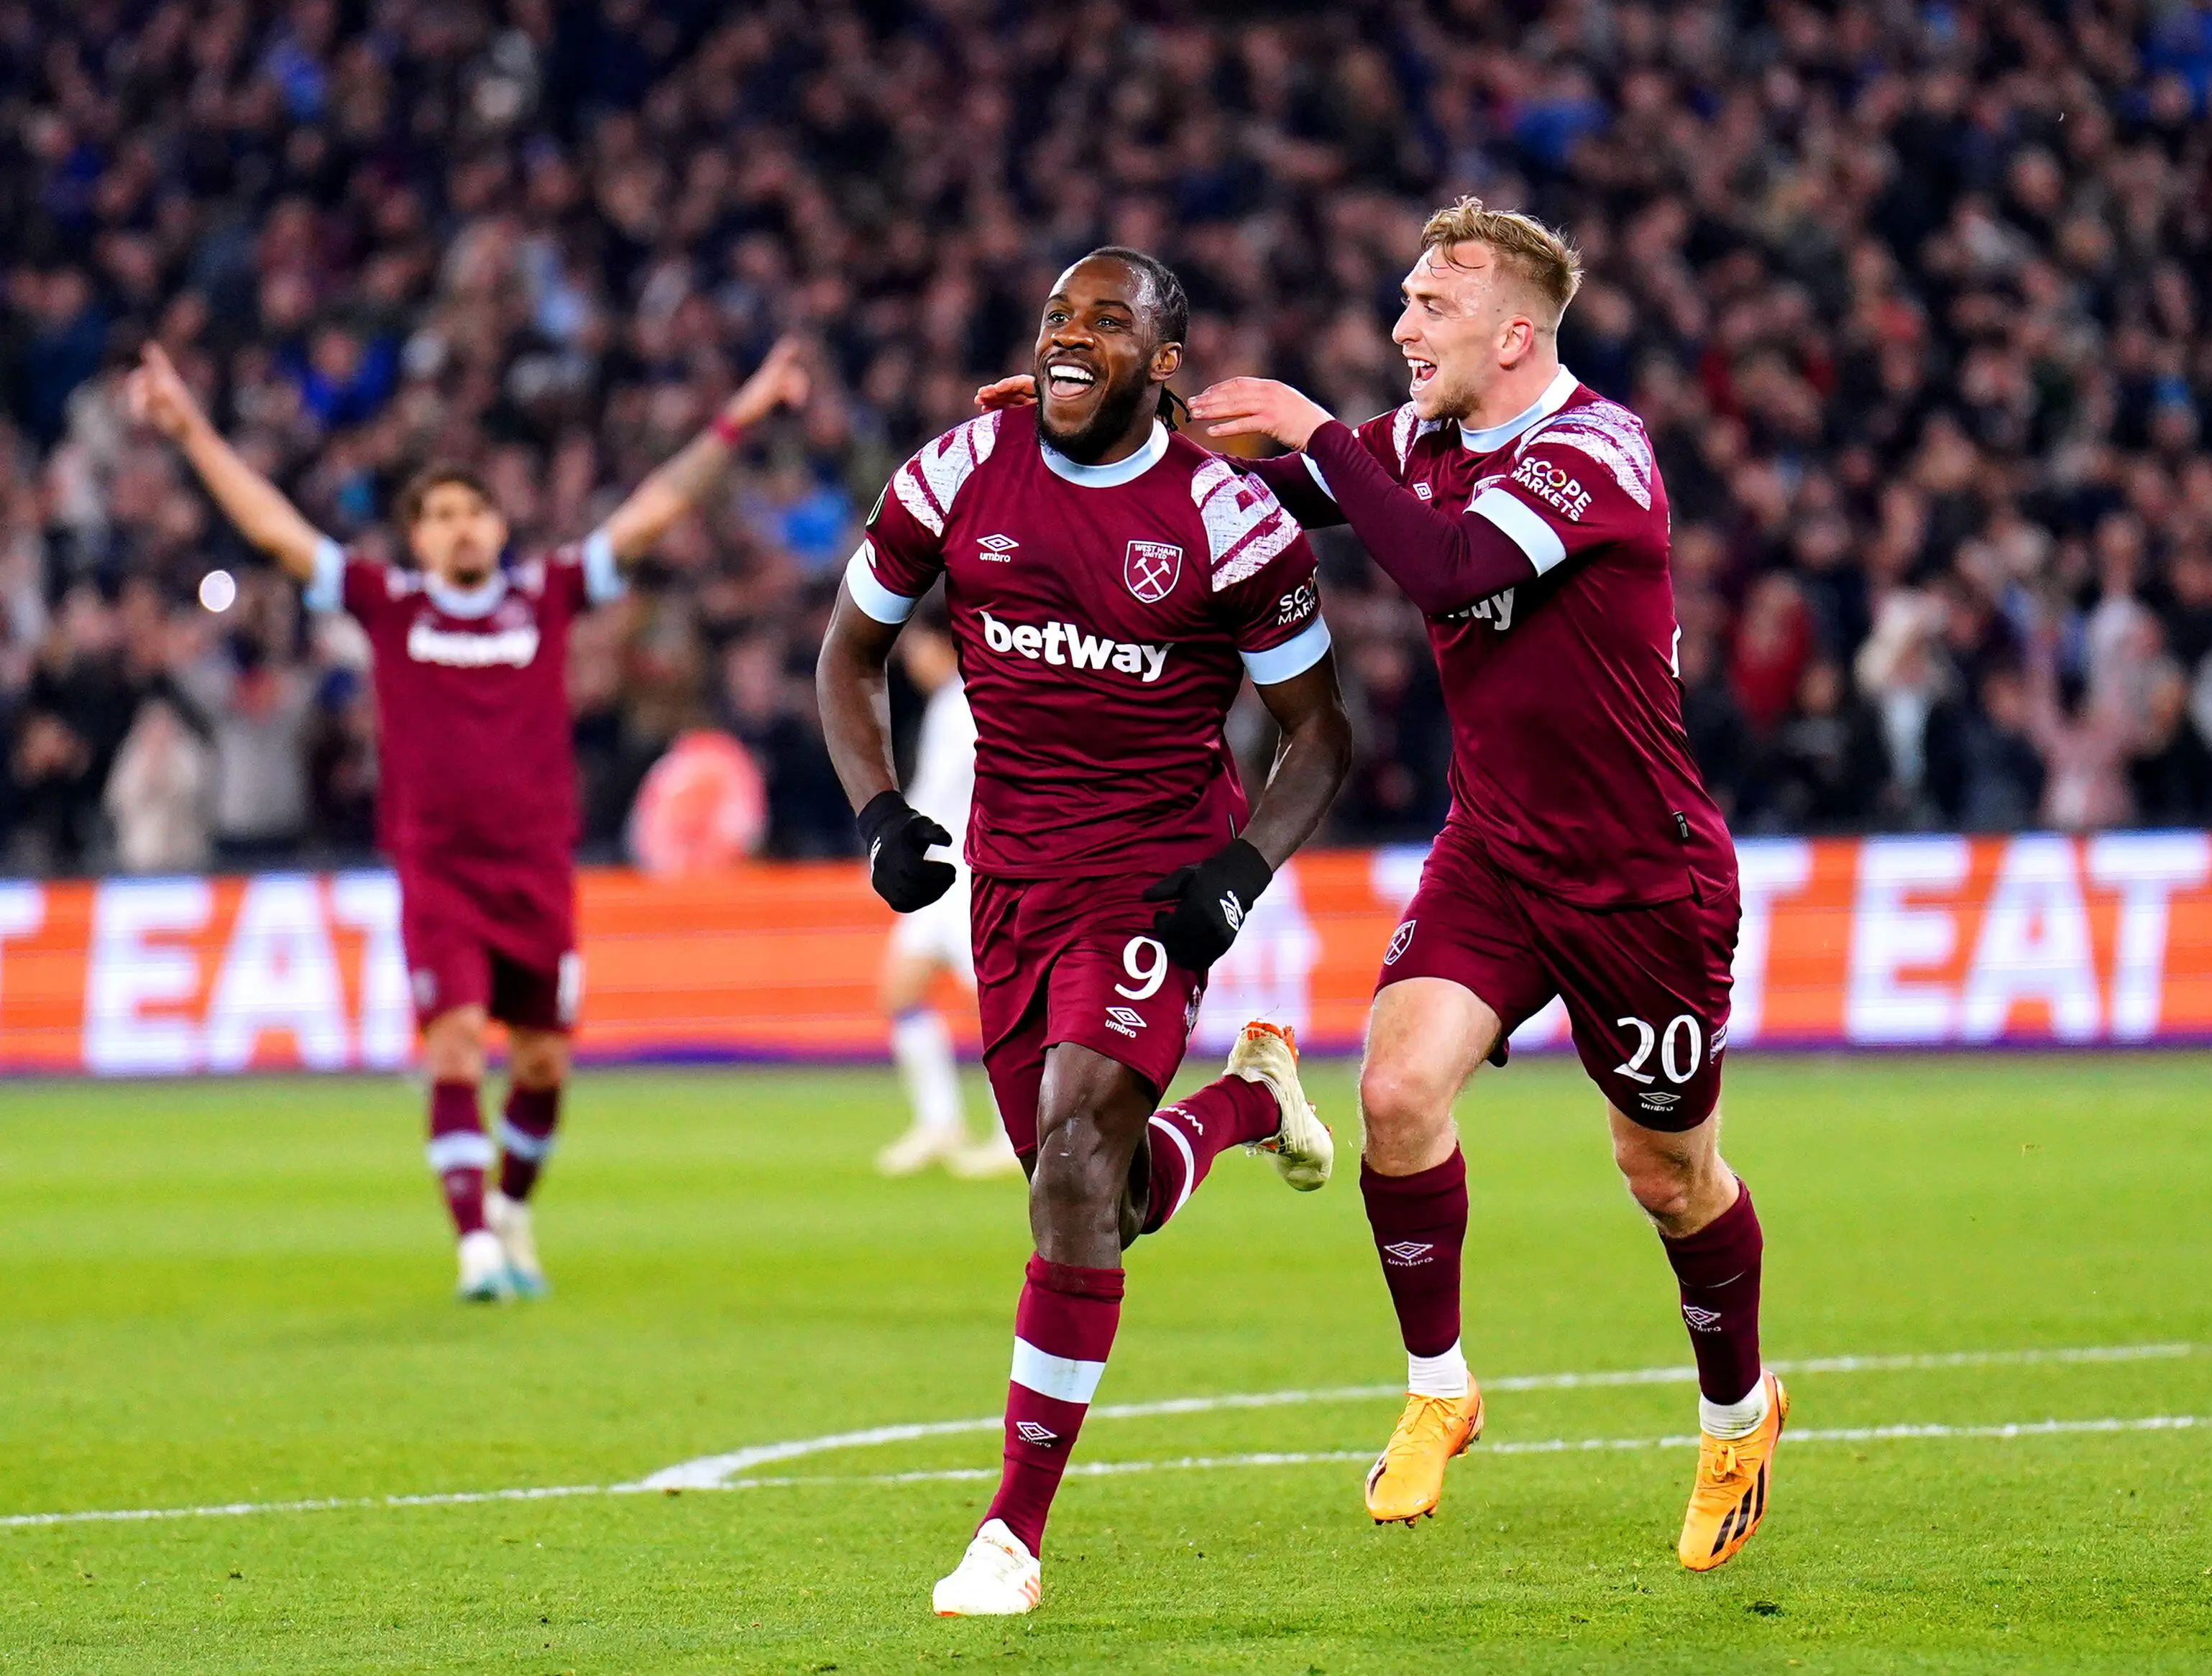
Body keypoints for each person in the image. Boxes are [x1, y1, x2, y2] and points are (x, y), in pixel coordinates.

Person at [1186, 200, 1781, 1571]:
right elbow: (1246, 493)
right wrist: (1090, 441)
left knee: (1665, 1172)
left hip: (1642, 877)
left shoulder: (1597, 452)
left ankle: (1738, 1410)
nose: (1401, 328)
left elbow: (1447, 568)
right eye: (1403, 302)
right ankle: (1440, 1389)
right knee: (1394, 1091)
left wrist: (1308, 424)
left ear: (1514, 334)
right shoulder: (1422, 444)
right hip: (1497, 850)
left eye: (1430, 308)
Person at [818, 248, 1352, 1616]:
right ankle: (1241, 1105)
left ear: (1163, 363)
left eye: (1107, 322)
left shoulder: (1230, 523)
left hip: (1149, 876)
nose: (1069, 337)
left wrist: (1236, 871)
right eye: (1057, 316)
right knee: (1095, 1199)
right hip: (1009, 881)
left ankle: (1010, 1534)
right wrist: (876, 810)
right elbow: (848, 649)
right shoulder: (955, 473)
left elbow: (1316, 736)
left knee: (1066, 1162)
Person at [124, 336, 811, 1301]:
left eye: (472, 513)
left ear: (499, 527)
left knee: (540, 1065)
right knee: (451, 1043)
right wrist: (191, 428)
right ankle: (475, 1247)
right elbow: (277, 532)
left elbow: (656, 509)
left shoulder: (547, 593)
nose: (457, 530)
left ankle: (514, 1210)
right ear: (415, 540)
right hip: (438, 868)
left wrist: (742, 408)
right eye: (438, 517)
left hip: (535, 868)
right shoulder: (390, 604)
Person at [872, 613, 1020, 1179]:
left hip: (964, 875)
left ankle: (1014, 1133)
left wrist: (894, 848)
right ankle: (940, 1122)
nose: (911, 661)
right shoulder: (949, 704)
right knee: (899, 991)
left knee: (991, 1008)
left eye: (917, 647)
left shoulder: (968, 705)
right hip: (938, 875)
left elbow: (937, 794)